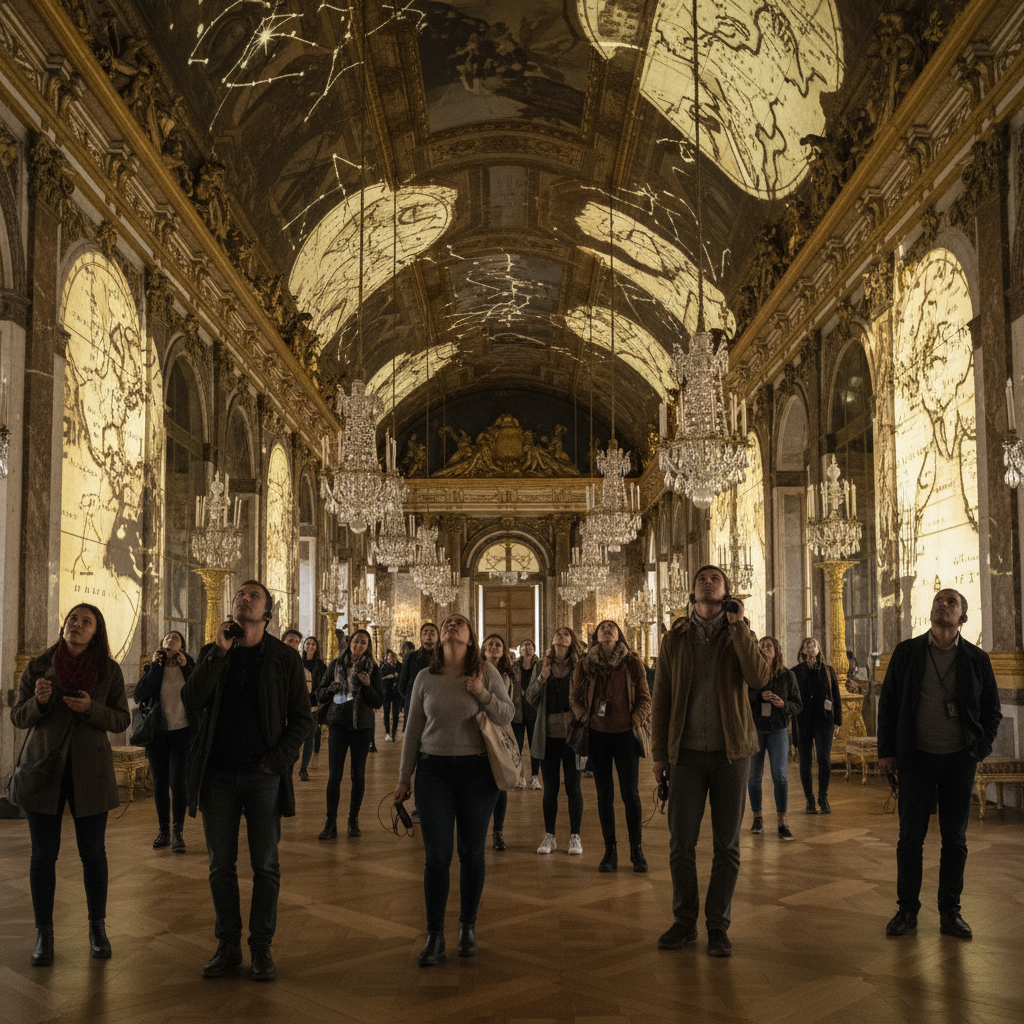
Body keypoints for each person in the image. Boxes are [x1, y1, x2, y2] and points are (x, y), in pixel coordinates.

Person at [183, 580, 312, 982]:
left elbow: (303, 720)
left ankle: (261, 946)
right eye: (240, 594)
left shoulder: (284, 659)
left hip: (262, 777)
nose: (244, 599)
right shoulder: (213, 651)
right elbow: (191, 699)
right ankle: (227, 944)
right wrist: (218, 654)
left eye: (253, 596)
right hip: (217, 776)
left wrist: (275, 763)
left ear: (267, 612)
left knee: (266, 866)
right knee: (220, 866)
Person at [652, 565, 769, 958]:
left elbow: (758, 678)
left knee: (728, 845)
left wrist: (738, 628)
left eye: (715, 579)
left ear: (727, 592)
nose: (707, 582)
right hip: (684, 754)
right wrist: (658, 755)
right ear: (692, 591)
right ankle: (684, 921)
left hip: (731, 753)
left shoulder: (740, 633)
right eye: (702, 578)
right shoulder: (675, 638)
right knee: (681, 844)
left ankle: (718, 925)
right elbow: (662, 698)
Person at [878, 589, 1001, 940]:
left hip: (960, 761)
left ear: (962, 615)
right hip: (916, 759)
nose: (942, 605)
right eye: (938, 601)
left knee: (955, 840)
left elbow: (992, 710)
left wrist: (980, 747)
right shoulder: (908, 653)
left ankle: (950, 912)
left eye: (951, 602)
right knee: (909, 839)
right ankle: (906, 910)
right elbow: (888, 704)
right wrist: (887, 751)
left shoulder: (976, 659)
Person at [11, 604, 130, 967]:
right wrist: (40, 702)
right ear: (64, 626)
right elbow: (18, 716)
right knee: (43, 856)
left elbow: (122, 719)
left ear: (97, 632)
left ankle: (97, 928)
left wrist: (92, 708)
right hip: (43, 770)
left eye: (86, 622)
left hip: (89, 773)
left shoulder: (108, 670)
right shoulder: (38, 666)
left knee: (93, 854)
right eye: (72, 620)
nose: (77, 625)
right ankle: (43, 934)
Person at [395, 613, 514, 966]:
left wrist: (483, 694)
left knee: (472, 853)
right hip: (433, 772)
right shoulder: (424, 677)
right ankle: (434, 935)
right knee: (436, 857)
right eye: (447, 623)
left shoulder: (486, 672)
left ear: (470, 636)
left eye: (458, 623)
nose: (450, 626)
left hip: (478, 772)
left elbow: (507, 714)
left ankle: (467, 927)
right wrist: (404, 777)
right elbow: (413, 729)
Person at [571, 620, 652, 872]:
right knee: (604, 796)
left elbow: (645, 699)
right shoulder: (585, 664)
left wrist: (633, 720)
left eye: (612, 627)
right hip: (598, 736)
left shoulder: (632, 663)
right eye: (602, 627)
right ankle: (610, 851)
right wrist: (585, 717)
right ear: (596, 635)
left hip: (625, 735)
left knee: (631, 795)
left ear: (619, 636)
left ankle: (636, 850)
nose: (607, 629)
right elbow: (574, 696)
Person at [316, 628, 383, 838]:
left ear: (367, 646)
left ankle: (353, 821)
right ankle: (330, 823)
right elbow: (320, 694)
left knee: (358, 775)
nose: (359, 646)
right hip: (338, 725)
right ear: (350, 642)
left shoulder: (373, 669)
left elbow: (378, 701)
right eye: (356, 642)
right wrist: (330, 690)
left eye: (363, 643)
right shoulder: (336, 665)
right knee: (335, 775)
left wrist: (368, 685)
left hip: (362, 727)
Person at [134, 630, 196, 852]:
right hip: (158, 733)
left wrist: (186, 667)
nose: (170, 640)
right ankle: (164, 830)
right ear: (162, 644)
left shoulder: (189, 666)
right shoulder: (153, 667)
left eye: (175, 639)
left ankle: (178, 831)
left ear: (182, 646)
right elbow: (139, 694)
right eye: (167, 638)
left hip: (182, 732)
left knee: (178, 782)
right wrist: (154, 667)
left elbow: (199, 693)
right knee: (160, 784)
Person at [526, 626, 585, 856]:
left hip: (573, 736)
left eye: (566, 634)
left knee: (573, 787)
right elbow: (530, 698)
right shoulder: (542, 666)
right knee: (550, 788)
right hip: (548, 735)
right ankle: (549, 836)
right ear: (552, 640)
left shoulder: (579, 666)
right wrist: (542, 678)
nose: (561, 636)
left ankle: (575, 836)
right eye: (558, 633)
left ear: (572, 641)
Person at [748, 637, 802, 841]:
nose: (764, 648)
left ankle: (782, 820)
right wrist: (758, 697)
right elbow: (743, 699)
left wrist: (782, 704)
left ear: (777, 650)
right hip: (756, 729)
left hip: (778, 729)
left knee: (779, 775)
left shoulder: (787, 675)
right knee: (754, 776)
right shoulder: (752, 675)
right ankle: (757, 816)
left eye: (768, 645)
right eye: (761, 646)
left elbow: (798, 705)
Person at [792, 636, 842, 814]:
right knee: (805, 761)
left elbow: (835, 696)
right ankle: (809, 799)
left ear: (819, 649)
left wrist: (838, 721)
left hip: (824, 721)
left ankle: (823, 796)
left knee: (824, 759)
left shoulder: (828, 671)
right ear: (803, 650)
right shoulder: (795, 672)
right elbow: (793, 700)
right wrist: (793, 727)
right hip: (804, 722)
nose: (810, 646)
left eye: (813, 644)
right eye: (807, 644)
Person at [481, 633, 516, 850]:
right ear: (483, 648)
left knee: (500, 783)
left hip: (499, 731)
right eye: (490, 644)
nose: (494, 647)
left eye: (498, 645)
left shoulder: (506, 676)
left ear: (503, 652)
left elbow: (507, 708)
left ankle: (498, 831)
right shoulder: (475, 670)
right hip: (478, 729)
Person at [514, 639, 542, 788]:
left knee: (534, 745)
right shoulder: (514, 666)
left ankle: (535, 777)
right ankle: (519, 776)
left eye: (529, 645)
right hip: (517, 711)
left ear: (534, 649)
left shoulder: (539, 666)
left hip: (533, 711)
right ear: (520, 650)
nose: (526, 647)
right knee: (517, 746)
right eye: (523, 645)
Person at [298, 636, 327, 779]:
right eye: (307, 643)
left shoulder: (320, 665)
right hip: (298, 705)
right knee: (296, 736)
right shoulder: (298, 662)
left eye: (313, 644)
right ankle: (291, 763)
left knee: (310, 736)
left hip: (314, 705)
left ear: (316, 647)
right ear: (304, 646)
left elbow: (324, 684)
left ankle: (303, 768)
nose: (310, 646)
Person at [381, 650, 402, 741]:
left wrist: (397, 678)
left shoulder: (399, 666)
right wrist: (388, 677)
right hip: (386, 692)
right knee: (386, 712)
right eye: (387, 657)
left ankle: (393, 734)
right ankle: (387, 732)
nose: (388, 659)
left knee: (395, 713)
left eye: (390, 657)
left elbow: (403, 678)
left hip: (396, 693)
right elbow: (380, 679)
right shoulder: (384, 667)